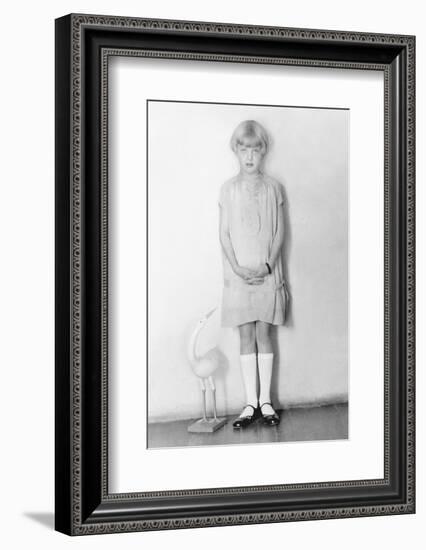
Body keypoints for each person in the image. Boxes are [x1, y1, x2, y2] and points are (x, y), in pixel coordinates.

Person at [218, 120, 288, 429]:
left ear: (263, 152)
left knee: (264, 333)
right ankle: (250, 403)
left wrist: (268, 266)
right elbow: (223, 234)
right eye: (243, 150)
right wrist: (236, 267)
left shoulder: (274, 187)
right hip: (239, 276)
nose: (249, 157)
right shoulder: (227, 189)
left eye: (255, 151)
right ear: (236, 151)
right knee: (246, 335)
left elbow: (279, 231)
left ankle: (266, 402)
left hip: (266, 272)